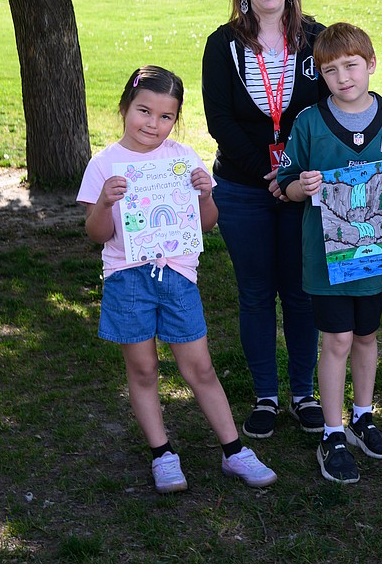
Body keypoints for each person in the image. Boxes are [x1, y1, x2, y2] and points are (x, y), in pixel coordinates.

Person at [78, 66, 277, 494]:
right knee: (144, 368)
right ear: (125, 108)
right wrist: (103, 202)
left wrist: (206, 194)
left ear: (177, 119)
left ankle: (234, 451)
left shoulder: (183, 159)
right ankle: (163, 454)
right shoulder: (104, 164)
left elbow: (206, 224)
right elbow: (97, 233)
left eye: (165, 116)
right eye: (144, 111)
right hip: (127, 277)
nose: (153, 124)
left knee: (199, 367)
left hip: (178, 277)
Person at [278, 23, 382, 484]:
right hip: (327, 254)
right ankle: (333, 431)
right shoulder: (308, 122)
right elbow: (286, 182)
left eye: (351, 66)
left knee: (366, 336)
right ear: (321, 74)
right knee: (336, 339)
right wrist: (301, 185)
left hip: (374, 252)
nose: (343, 77)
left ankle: (363, 416)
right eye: (331, 70)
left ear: (371, 65)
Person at [202, 0, 327, 440]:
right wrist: (268, 175)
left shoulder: (317, 38)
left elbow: (329, 109)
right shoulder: (223, 44)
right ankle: (266, 397)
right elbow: (221, 121)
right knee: (255, 294)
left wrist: (292, 176)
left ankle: (303, 393)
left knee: (300, 292)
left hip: (304, 189)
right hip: (242, 187)